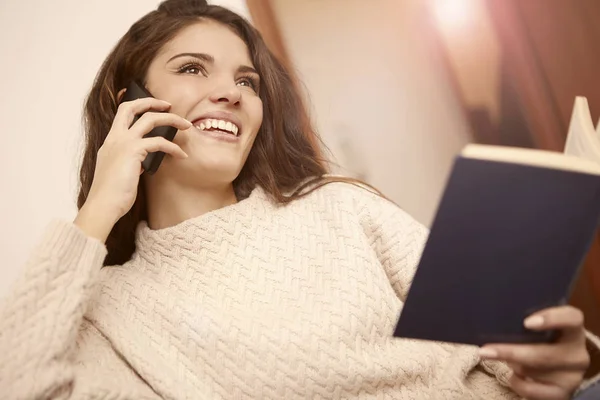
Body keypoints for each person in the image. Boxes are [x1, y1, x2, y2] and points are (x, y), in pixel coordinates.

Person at [0, 1, 597, 399]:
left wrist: (562, 360)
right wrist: (98, 210)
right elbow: (19, 383)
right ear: (128, 100)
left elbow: (501, 357)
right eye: (192, 68)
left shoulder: (342, 209)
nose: (230, 94)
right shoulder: (109, 308)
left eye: (246, 81)